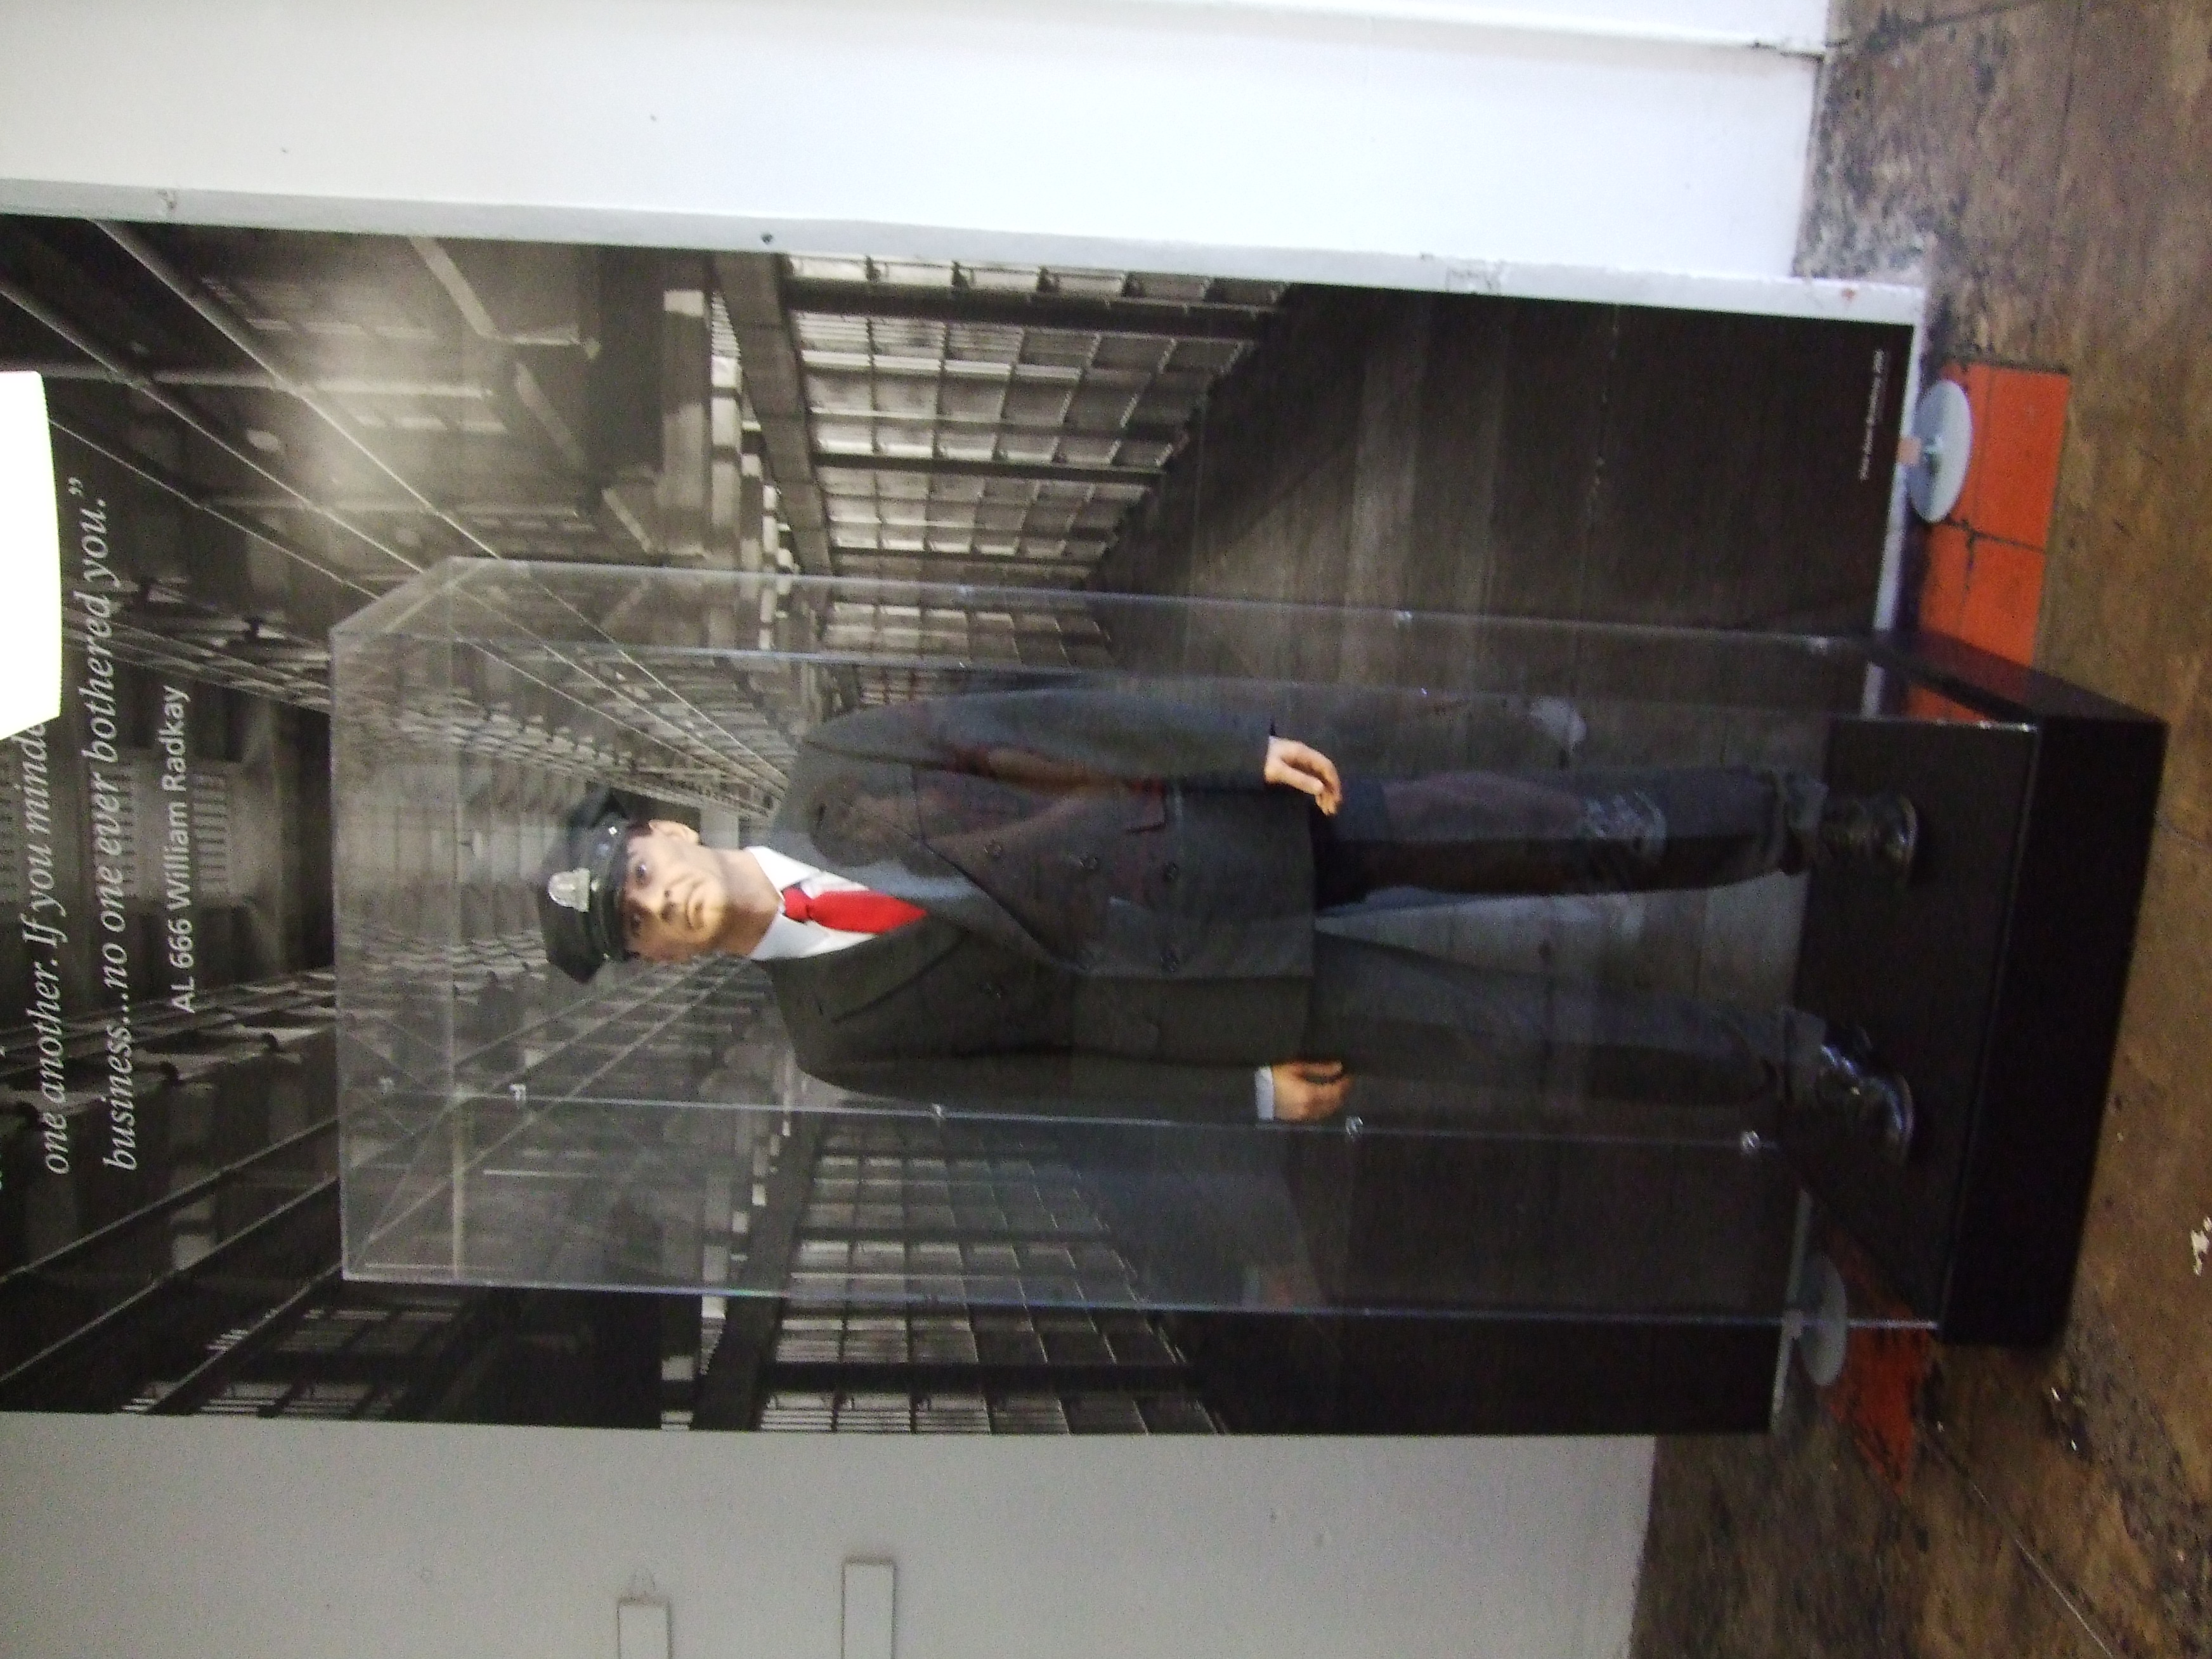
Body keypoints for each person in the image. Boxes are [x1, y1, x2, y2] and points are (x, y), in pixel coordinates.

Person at [536, 688, 1918, 1161]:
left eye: (641, 872)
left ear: (667, 830)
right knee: (1519, 1032)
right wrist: (1243, 1098)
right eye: (637, 923)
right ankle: (1803, 1073)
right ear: (654, 958)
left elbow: (1040, 730)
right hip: (1216, 1007)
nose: (659, 902)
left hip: (1211, 838)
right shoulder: (831, 1041)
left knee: (1538, 824)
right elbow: (1053, 1089)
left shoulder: (836, 759)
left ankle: (1809, 823)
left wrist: (1228, 748)